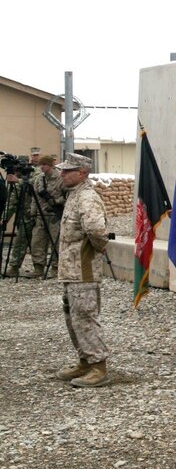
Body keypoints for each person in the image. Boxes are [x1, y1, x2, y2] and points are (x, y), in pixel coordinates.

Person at [53, 153, 113, 387]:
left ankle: (99, 367)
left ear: (82, 173)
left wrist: (95, 249)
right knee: (73, 317)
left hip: (83, 270)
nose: (62, 174)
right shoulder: (74, 195)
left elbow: (97, 231)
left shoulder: (87, 197)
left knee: (85, 317)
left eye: (68, 171)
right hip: (71, 270)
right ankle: (85, 361)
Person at [29, 155, 65, 278]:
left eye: (44, 164)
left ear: (50, 165)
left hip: (54, 215)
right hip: (41, 214)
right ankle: (38, 267)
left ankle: (56, 267)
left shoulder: (60, 178)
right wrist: (33, 213)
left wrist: (56, 202)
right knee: (37, 241)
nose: (42, 167)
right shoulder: (39, 179)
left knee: (56, 242)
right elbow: (35, 198)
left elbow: (67, 195)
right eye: (41, 165)